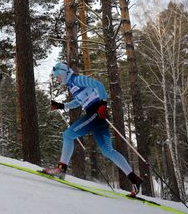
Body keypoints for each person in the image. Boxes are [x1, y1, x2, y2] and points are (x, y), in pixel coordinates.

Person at [44, 62, 143, 195]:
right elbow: (78, 102)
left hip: (96, 113)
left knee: (68, 135)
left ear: (64, 72)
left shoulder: (76, 79)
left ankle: (61, 169)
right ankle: (134, 179)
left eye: (58, 76)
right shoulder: (72, 86)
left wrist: (103, 103)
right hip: (98, 116)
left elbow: (99, 85)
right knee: (108, 151)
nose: (57, 79)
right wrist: (61, 106)